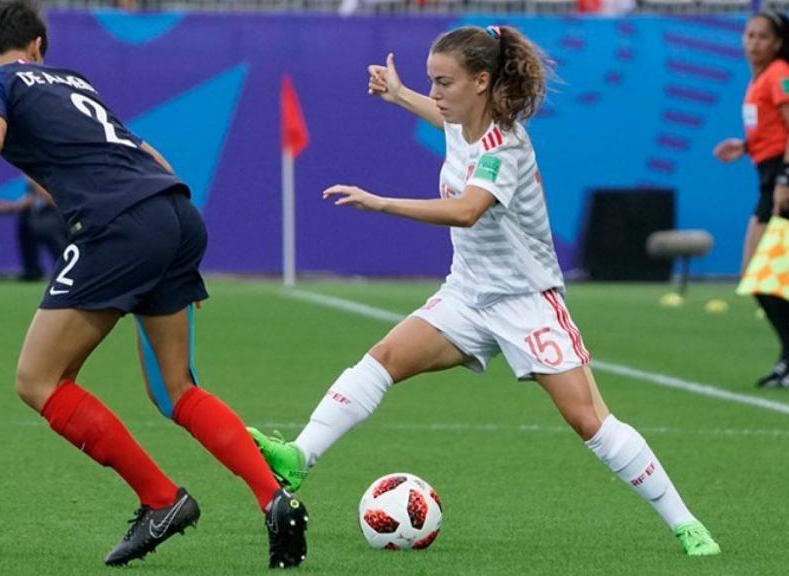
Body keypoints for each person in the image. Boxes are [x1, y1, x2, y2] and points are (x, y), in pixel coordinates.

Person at [249, 25, 720, 557]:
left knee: (589, 419)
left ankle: (686, 524)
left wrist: (381, 203)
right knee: (383, 359)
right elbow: (445, 122)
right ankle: (299, 457)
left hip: (527, 301)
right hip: (468, 295)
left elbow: (468, 210)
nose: (435, 93)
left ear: (481, 82)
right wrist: (400, 94)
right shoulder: (461, 121)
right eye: (431, 80)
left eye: (443, 82)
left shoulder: (505, 146)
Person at [0, 0, 307, 568]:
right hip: (173, 210)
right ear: (38, 47)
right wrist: (166, 234)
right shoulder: (73, 81)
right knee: (176, 390)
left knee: (37, 380)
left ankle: (161, 500)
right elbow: (141, 150)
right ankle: (273, 498)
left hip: (118, 226)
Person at [714, 10, 789, 389]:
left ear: (777, 42)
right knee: (763, 275)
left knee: (764, 274)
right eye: (750, 35)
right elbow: (774, 129)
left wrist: (787, 179)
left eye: (763, 36)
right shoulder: (761, 78)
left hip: (784, 179)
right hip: (770, 179)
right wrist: (745, 146)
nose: (754, 43)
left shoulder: (780, 73)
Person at [0, 178, 68, 281]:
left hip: (53, 219)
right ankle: (32, 272)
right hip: (36, 218)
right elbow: (31, 199)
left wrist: (36, 182)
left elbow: (53, 199)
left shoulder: (54, 177)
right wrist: (12, 206)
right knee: (27, 230)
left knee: (61, 252)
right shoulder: (33, 182)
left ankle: (68, 274)